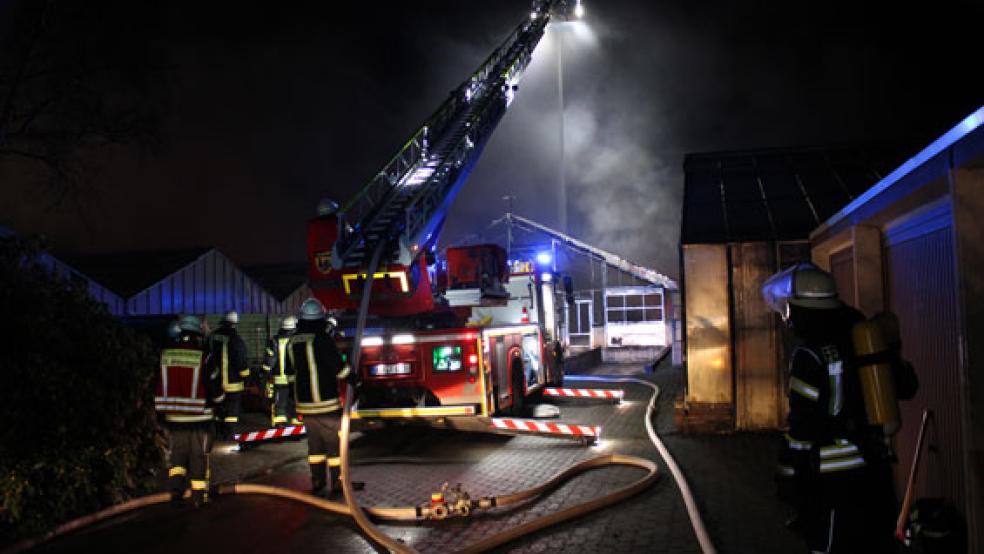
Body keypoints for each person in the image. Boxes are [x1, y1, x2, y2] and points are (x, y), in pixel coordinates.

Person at [762, 263, 900, 553]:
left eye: (788, 310)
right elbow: (903, 385)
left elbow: (802, 426)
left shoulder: (809, 354)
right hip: (875, 467)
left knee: (828, 546)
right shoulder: (859, 334)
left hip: (832, 479)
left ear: (798, 309)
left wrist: (788, 473)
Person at [287, 298, 362, 497]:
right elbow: (338, 369)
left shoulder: (292, 341)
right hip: (326, 404)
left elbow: (289, 373)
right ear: (321, 318)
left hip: (305, 405)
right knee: (334, 447)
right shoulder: (322, 339)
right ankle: (338, 483)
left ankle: (318, 481)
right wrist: (355, 380)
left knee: (315, 448)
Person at [154, 315, 222, 507]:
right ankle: (199, 497)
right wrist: (220, 403)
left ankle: (176, 491)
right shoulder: (205, 355)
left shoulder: (165, 354)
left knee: (177, 457)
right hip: (199, 417)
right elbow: (214, 386)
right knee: (198, 456)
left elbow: (156, 383)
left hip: (173, 418)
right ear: (198, 334)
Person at [208, 310, 249, 440]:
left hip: (215, 382)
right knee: (231, 411)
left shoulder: (212, 337)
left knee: (218, 408)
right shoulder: (236, 340)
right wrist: (246, 377)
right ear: (235, 324)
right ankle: (229, 436)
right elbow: (241, 361)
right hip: (232, 384)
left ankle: (218, 433)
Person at [262, 316, 297, 428]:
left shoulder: (275, 341)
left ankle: (280, 424)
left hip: (279, 379)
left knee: (280, 402)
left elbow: (270, 359)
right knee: (293, 400)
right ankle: (294, 420)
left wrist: (265, 372)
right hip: (294, 378)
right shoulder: (297, 340)